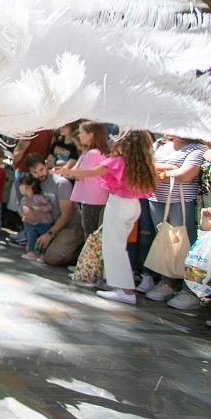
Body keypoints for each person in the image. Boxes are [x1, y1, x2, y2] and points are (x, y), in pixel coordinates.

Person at [57, 130, 157, 304]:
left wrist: (65, 171)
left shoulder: (118, 161)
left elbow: (89, 172)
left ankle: (125, 291)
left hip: (118, 206)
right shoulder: (140, 163)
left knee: (115, 248)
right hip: (132, 206)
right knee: (118, 247)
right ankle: (122, 288)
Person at [142, 134, 207, 309]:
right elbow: (145, 166)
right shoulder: (161, 146)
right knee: (164, 243)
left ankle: (190, 291)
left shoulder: (198, 148)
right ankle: (167, 283)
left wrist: (159, 172)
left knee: (188, 246)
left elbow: (185, 175)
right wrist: (168, 169)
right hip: (156, 199)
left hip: (182, 200)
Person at [29, 154, 84, 266]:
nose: (39, 174)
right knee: (37, 248)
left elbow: (67, 214)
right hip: (53, 224)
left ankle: (79, 253)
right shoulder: (37, 183)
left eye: (41, 169)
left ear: (45, 165)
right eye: (34, 172)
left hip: (71, 226)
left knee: (51, 257)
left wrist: (50, 234)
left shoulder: (61, 183)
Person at [69, 121, 110, 238]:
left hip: (92, 198)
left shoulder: (93, 153)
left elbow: (79, 174)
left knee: (90, 233)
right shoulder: (91, 152)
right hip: (92, 197)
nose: (79, 135)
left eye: (82, 133)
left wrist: (67, 172)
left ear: (91, 135)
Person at [18, 175, 54, 259]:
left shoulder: (39, 198)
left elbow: (49, 207)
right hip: (31, 223)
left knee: (43, 239)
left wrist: (40, 209)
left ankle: (43, 254)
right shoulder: (24, 199)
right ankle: (31, 252)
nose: (21, 187)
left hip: (44, 222)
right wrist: (24, 215)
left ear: (30, 186)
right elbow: (20, 209)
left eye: (23, 185)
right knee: (31, 236)